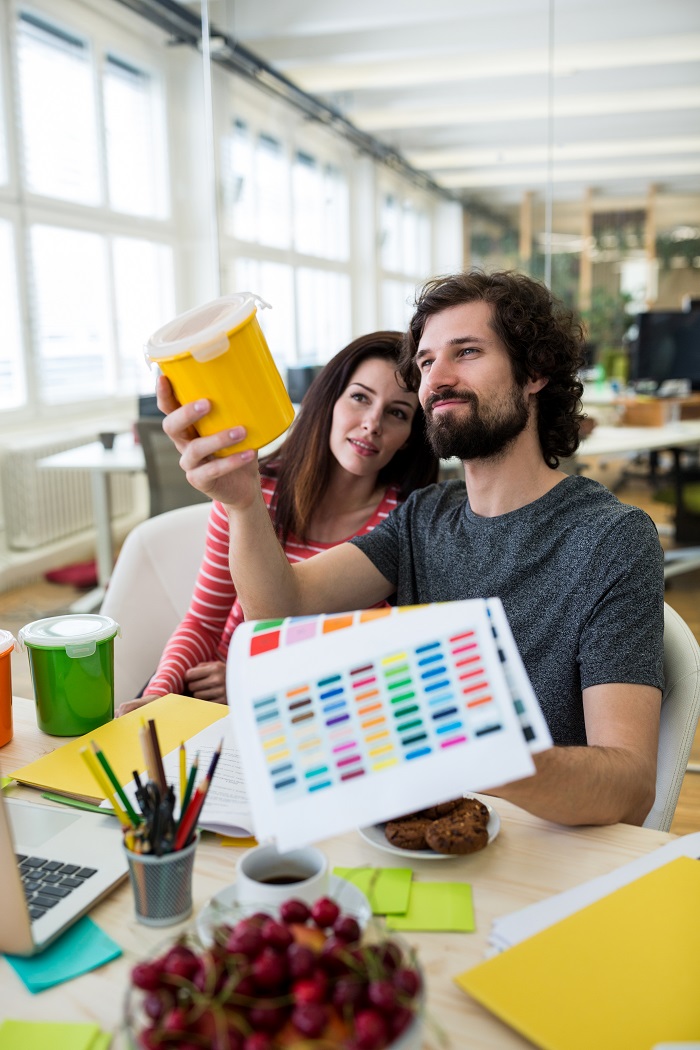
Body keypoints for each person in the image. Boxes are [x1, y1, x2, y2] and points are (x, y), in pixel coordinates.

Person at [158, 270, 665, 828]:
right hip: (408, 831)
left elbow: (630, 785)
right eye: (425, 363)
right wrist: (243, 502)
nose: (436, 380)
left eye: (466, 352)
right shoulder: (424, 516)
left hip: (539, 845)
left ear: (535, 372)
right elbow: (278, 612)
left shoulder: (612, 539)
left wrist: (471, 747)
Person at [116, 331, 438, 716]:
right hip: (215, 691)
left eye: (397, 413)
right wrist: (160, 694)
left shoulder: (405, 521)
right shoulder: (250, 489)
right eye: (360, 397)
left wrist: (247, 678)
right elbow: (203, 623)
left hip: (315, 707)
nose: (372, 424)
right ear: (328, 402)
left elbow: (372, 664)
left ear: (408, 438)